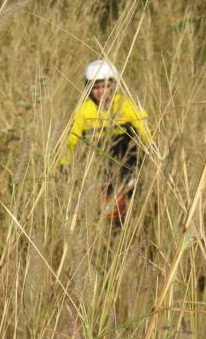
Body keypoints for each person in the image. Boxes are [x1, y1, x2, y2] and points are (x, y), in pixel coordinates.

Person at [61, 59, 152, 220]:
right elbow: (70, 141)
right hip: (100, 168)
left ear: (113, 86)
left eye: (105, 86)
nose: (101, 91)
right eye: (96, 87)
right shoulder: (83, 111)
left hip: (128, 163)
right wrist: (64, 165)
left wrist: (153, 152)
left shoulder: (126, 105)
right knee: (108, 211)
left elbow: (147, 132)